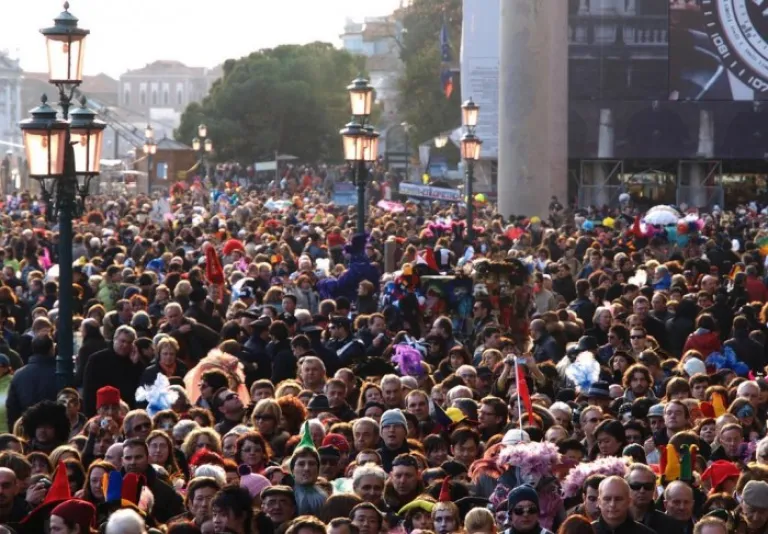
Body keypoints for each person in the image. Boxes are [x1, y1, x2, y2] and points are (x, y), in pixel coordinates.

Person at [82, 326, 145, 416]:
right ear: (115, 339)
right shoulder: (97, 360)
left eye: (129, 342)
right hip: (103, 411)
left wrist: (136, 365)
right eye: (122, 341)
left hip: (128, 412)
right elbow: (89, 391)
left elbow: (140, 388)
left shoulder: (136, 362)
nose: (125, 345)